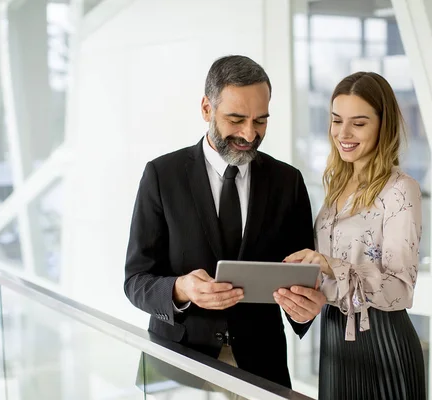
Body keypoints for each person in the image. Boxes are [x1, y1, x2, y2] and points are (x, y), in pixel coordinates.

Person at [124, 55, 326, 389]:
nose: (249, 134)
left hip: (262, 367)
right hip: (178, 365)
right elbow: (136, 279)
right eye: (236, 119)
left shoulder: (287, 182)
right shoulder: (162, 175)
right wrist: (180, 289)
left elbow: (301, 276)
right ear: (206, 109)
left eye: (260, 120)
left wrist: (305, 309)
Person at [283, 72, 426, 399]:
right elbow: (334, 282)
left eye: (358, 123)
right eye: (336, 120)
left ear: (383, 125)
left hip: (383, 344)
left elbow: (400, 289)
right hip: (334, 341)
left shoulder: (401, 190)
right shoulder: (335, 188)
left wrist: (330, 265)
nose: (343, 133)